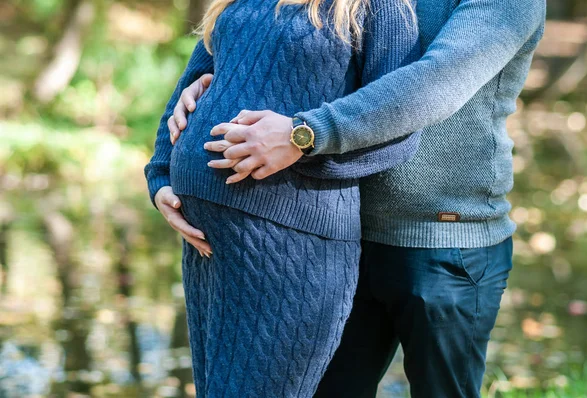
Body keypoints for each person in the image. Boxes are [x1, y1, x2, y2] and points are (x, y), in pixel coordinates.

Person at [170, 0, 547, 396]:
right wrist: (217, 87)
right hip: (338, 240)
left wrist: (305, 133)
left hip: (445, 242)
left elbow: (436, 82)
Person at [144, 0, 421, 396]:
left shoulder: (378, 7)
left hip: (291, 244)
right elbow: (189, 91)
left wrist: (298, 149)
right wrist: (161, 176)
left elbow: (396, 129)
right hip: (208, 243)